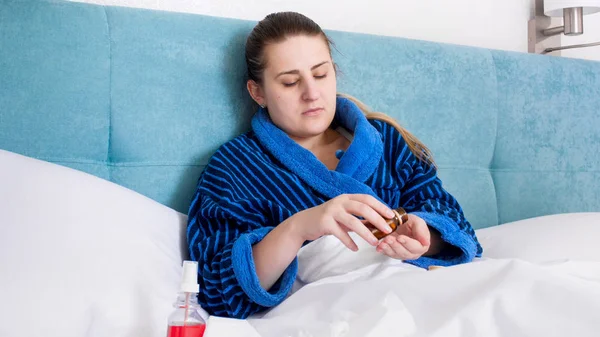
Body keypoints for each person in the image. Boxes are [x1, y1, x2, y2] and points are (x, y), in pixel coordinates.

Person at [186, 11, 483, 319]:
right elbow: (213, 287)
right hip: (328, 312)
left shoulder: (386, 142)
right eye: (290, 82)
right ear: (257, 92)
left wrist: (423, 239)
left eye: (321, 74)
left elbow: (455, 224)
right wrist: (299, 227)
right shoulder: (235, 167)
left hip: (414, 292)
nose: (312, 94)